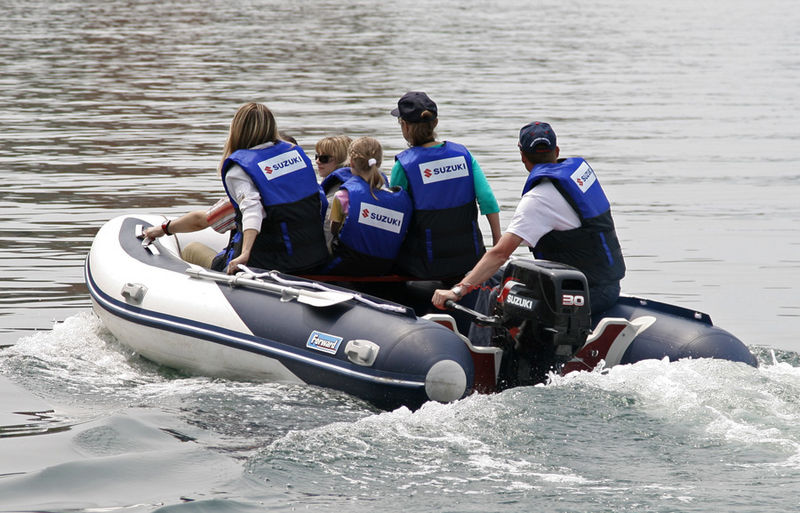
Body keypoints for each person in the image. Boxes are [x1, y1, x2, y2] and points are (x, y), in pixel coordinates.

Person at [432, 121, 626, 316]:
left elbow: (500, 254)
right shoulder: (578, 176)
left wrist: (458, 290)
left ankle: (482, 346)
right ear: (556, 151)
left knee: (498, 294)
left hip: (583, 294)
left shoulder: (538, 199)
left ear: (522, 155)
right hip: (607, 284)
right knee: (495, 276)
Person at [141, 131, 298, 269]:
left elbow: (200, 220)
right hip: (297, 262)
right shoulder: (309, 196)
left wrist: (162, 229)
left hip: (256, 267)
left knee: (191, 249)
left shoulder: (247, 199)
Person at [389, 91, 502, 281]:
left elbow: (395, 216)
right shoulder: (463, 155)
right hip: (470, 259)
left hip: (424, 265)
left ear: (405, 126)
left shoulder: (404, 165)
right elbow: (488, 200)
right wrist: (497, 245)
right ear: (436, 123)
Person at [220, 103, 328, 275]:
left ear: (237, 130)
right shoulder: (295, 154)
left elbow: (252, 210)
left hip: (270, 264)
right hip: (313, 258)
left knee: (195, 252)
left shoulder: (239, 170)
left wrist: (245, 253)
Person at [322, 137, 412, 275]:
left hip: (348, 263)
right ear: (379, 162)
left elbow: (333, 230)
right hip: (386, 264)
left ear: (351, 163)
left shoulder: (342, 196)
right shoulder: (398, 197)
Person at [315, 135, 353, 250]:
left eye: (324, 158)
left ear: (341, 160)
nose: (317, 161)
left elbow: (327, 236)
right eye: (317, 156)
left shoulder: (335, 197)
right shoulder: (360, 184)